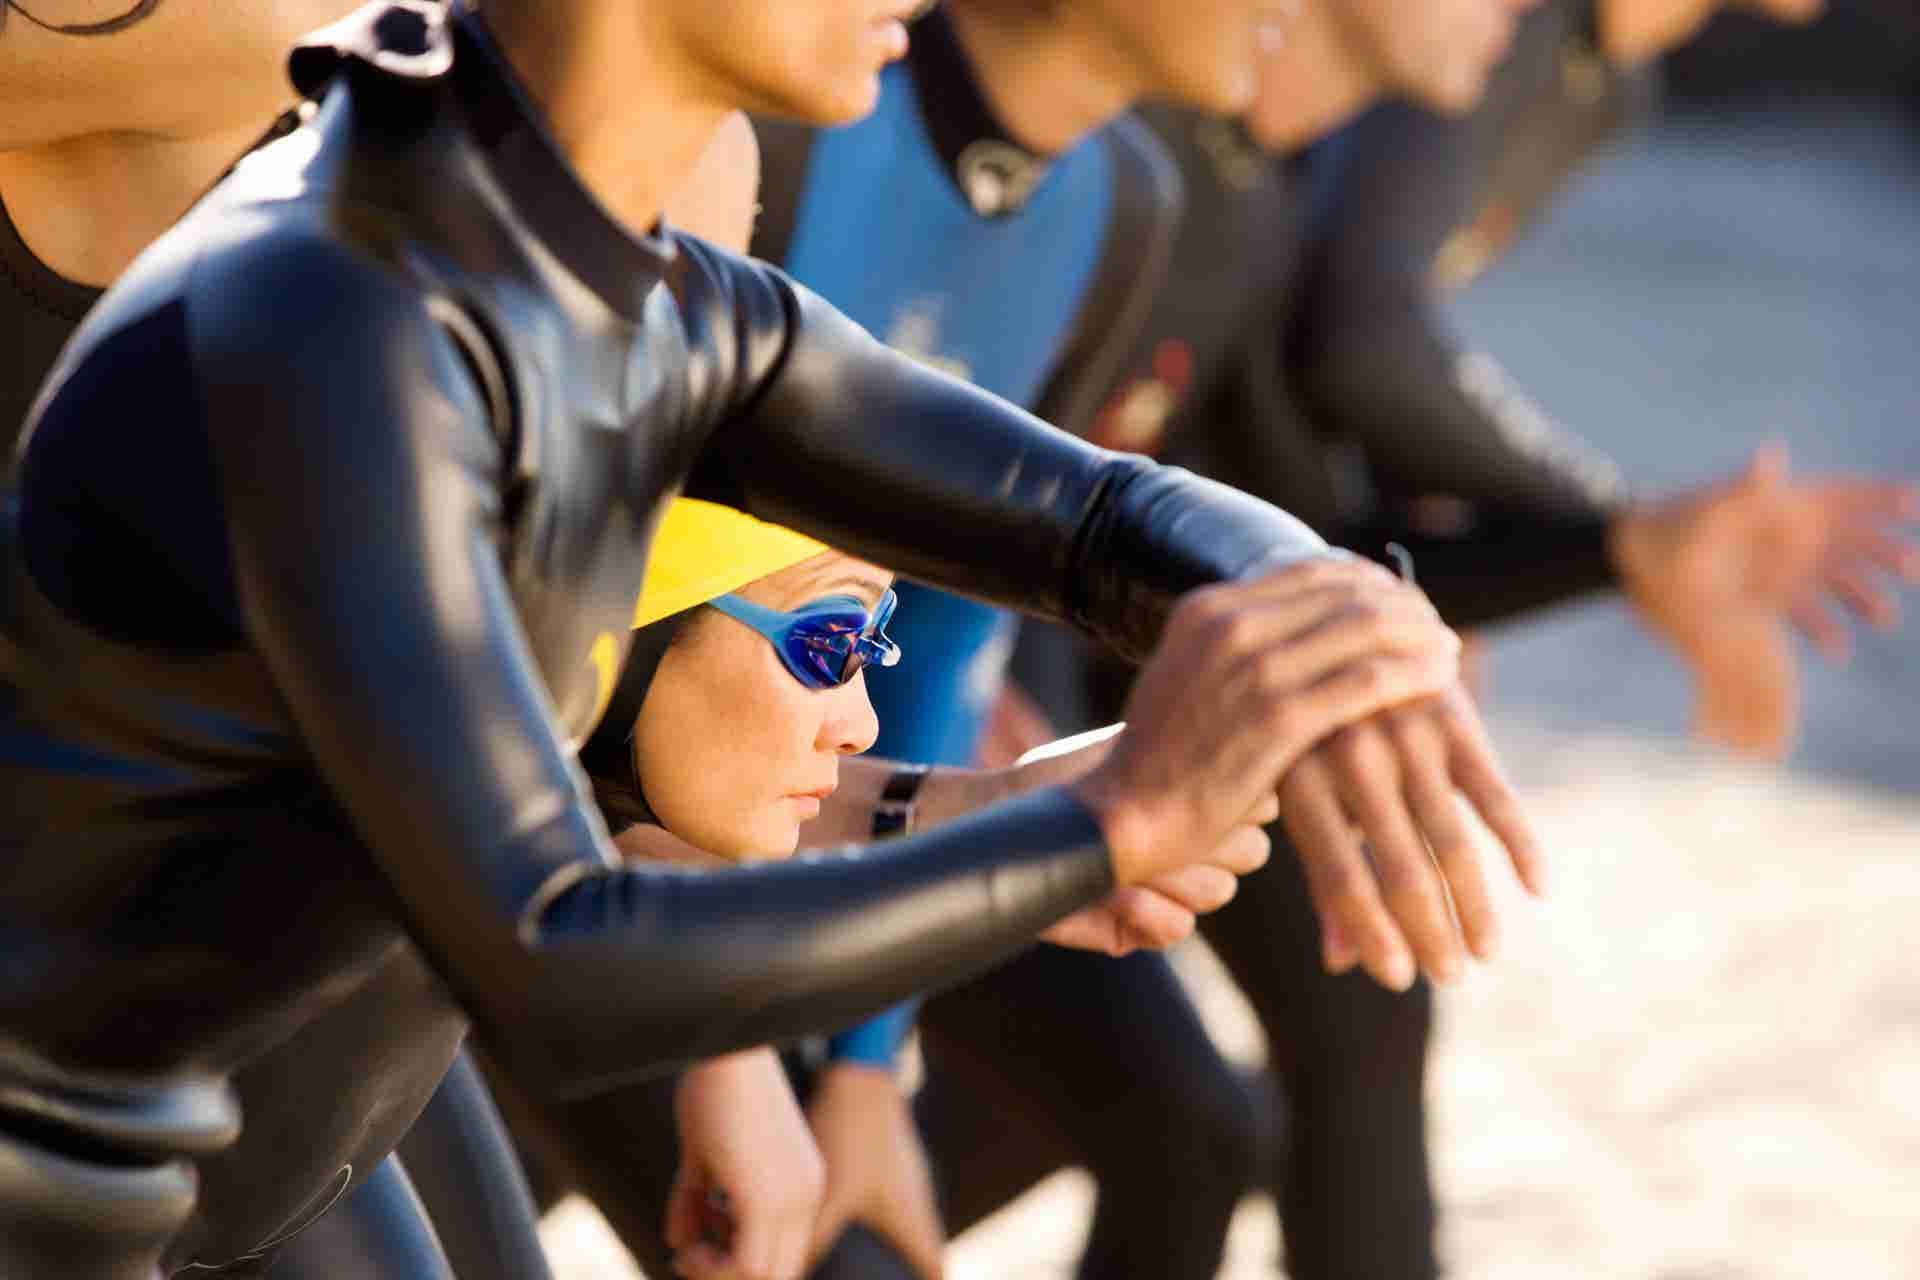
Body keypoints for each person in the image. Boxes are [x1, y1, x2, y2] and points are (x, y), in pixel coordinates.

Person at [0, 3, 1520, 1277]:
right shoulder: (342, 320)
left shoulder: (654, 292)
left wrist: (1324, 614)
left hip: (272, 1118)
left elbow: (1094, 518)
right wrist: (1108, 830)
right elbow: (558, 958)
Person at [1002, 1, 1913, 1276]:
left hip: (1119, 626)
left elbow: (1280, 466)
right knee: (1171, 1116)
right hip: (990, 680)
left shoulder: (1299, 178)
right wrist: (1611, 539)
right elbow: (1350, 347)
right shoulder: (1169, 169)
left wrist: (1483, 587)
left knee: (1305, 1045)